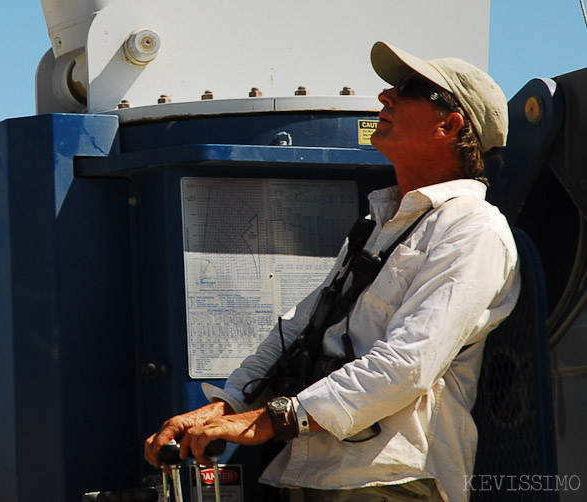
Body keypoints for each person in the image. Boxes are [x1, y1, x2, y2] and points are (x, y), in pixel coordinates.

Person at [145, 41, 520, 502]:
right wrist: (231, 403)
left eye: (410, 89)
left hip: (391, 481)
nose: (386, 97)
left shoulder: (473, 228)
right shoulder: (376, 225)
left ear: (451, 123)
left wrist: (274, 420)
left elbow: (409, 364)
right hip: (316, 475)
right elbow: (300, 327)